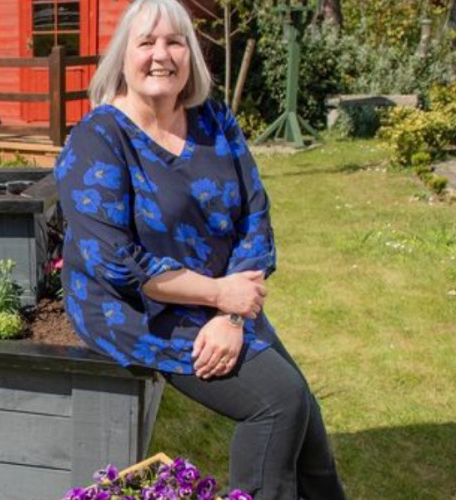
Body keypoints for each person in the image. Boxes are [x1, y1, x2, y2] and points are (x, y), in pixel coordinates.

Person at [54, 0, 347, 498]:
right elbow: (118, 263)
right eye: (146, 42)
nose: (161, 54)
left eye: (174, 41)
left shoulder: (213, 120)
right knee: (277, 404)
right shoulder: (97, 138)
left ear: (190, 55)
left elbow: (254, 213)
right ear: (123, 56)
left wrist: (231, 315)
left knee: (303, 414)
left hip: (222, 295)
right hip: (135, 307)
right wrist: (219, 297)